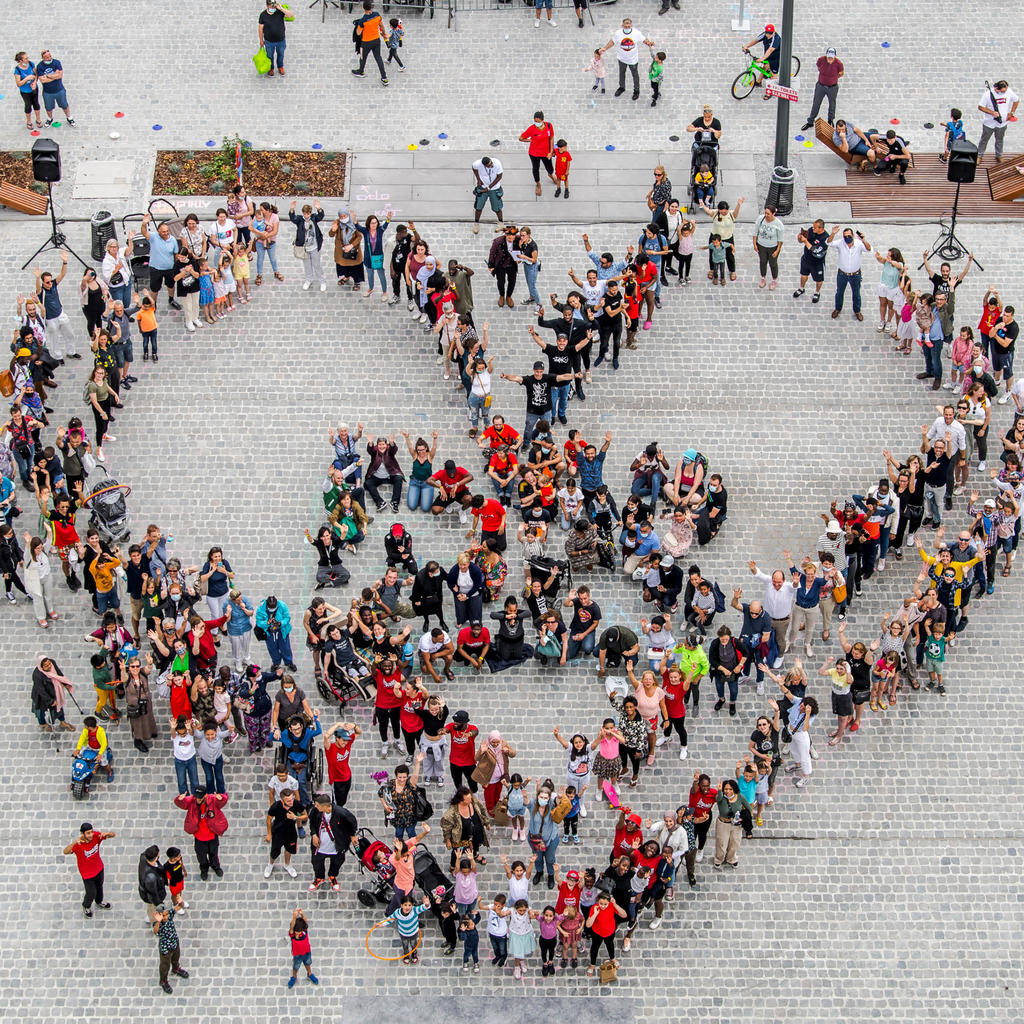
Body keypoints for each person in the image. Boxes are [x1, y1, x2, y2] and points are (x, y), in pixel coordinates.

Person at [173, 786, 229, 881]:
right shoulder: (192, 800)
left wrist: (221, 798)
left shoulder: (211, 799)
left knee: (214, 854)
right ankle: (204, 869)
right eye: (197, 797)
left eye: (200, 798)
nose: (198, 800)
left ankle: (215, 866)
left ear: (205, 795)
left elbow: (221, 801)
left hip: (212, 836)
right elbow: (183, 804)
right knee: (201, 857)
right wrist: (179, 799)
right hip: (199, 837)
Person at [64, 823, 114, 918]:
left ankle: (99, 901)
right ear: (82, 834)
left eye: (91, 832)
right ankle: (86, 906)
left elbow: (113, 835)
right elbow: (65, 851)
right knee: (91, 893)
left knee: (99, 887)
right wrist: (74, 842)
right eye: (88, 833)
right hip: (87, 874)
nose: (91, 835)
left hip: (99, 868)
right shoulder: (78, 845)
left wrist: (107, 834)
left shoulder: (95, 836)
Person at [599, 17, 654, 101]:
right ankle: (622, 87)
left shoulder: (636, 33)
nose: (627, 25)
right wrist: (605, 48)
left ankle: (636, 91)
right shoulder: (618, 33)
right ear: (622, 25)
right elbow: (612, 42)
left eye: (629, 24)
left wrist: (649, 43)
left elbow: (644, 40)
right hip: (622, 58)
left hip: (633, 60)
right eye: (626, 24)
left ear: (631, 25)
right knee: (621, 73)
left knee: (635, 75)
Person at [830, 226, 871, 321]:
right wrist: (833, 233)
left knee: (856, 294)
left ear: (853, 235)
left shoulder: (859, 244)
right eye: (845, 236)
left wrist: (864, 240)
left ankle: (857, 310)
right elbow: (829, 243)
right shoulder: (841, 243)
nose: (847, 238)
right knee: (839, 292)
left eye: (849, 236)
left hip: (855, 275)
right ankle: (837, 308)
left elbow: (869, 249)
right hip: (842, 274)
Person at [801, 47, 844, 129]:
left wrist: (833, 78)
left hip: (832, 87)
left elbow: (841, 73)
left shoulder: (839, 64)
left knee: (832, 104)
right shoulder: (821, 60)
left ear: (835, 56)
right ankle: (810, 121)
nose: (830, 59)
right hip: (820, 86)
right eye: (829, 57)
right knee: (816, 103)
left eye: (832, 57)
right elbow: (819, 67)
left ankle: (830, 120)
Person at [288, 200, 326, 292]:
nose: (306, 216)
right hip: (304, 248)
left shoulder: (313, 218)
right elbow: (293, 218)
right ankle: (308, 280)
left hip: (315, 246)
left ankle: (322, 281)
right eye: (305, 214)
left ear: (310, 213)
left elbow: (320, 216)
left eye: (308, 214)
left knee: (317, 265)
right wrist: (292, 209)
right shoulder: (300, 220)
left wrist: (319, 208)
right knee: (307, 265)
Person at [977, 80, 1019, 162]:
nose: (1004, 92)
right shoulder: (987, 94)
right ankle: (979, 155)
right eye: (1002, 91)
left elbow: (1016, 100)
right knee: (984, 139)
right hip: (989, 123)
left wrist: (1012, 112)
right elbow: (980, 107)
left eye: (1005, 91)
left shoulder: (1008, 91)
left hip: (1002, 123)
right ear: (996, 88)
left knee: (1000, 139)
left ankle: (999, 155)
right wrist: (992, 112)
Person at [153, 905, 189, 994]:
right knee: (165, 966)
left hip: (174, 942)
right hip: (165, 948)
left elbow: (178, 907)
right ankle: (163, 981)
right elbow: (155, 931)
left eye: (167, 915)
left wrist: (180, 901)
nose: (166, 917)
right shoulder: (158, 924)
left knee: (176, 957)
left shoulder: (169, 916)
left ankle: (176, 969)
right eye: (164, 915)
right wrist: (158, 921)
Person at [352, 1, 389, 86]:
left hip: (366, 42)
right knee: (378, 58)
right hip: (376, 40)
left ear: (363, 8)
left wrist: (358, 25)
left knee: (363, 57)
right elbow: (382, 26)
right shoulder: (377, 15)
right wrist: (383, 33)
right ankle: (384, 78)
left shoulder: (363, 20)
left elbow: (358, 33)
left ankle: (361, 71)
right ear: (371, 7)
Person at [35, 48, 74, 127]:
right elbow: (42, 80)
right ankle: (50, 118)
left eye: (50, 56)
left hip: (59, 89)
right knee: (48, 107)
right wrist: (54, 76)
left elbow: (59, 75)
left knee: (64, 105)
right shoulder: (39, 66)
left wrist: (47, 76)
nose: (49, 58)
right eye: (47, 57)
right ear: (43, 58)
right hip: (48, 92)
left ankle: (69, 117)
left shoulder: (56, 62)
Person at [753, 204, 784, 290]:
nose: (766, 215)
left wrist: (777, 250)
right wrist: (754, 244)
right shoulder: (760, 219)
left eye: (768, 214)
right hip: (761, 245)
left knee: (773, 263)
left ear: (773, 214)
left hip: (772, 247)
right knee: (762, 261)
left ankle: (774, 279)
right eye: (765, 213)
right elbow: (755, 232)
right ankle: (763, 278)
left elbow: (780, 240)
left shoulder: (778, 224)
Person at [471, 156, 504, 234]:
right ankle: (476, 223)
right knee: (478, 207)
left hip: (494, 188)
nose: (491, 166)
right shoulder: (477, 164)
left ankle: (501, 223)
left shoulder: (497, 163)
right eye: (489, 165)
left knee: (497, 207)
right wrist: (478, 180)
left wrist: (489, 188)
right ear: (484, 165)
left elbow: (499, 177)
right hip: (482, 187)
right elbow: (474, 168)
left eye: (491, 163)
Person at [258, 0, 291, 76]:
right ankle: (271, 68)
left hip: (281, 40)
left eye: (274, 6)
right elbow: (260, 29)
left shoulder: (279, 12)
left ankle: (280, 67)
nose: (273, 7)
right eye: (271, 6)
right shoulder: (263, 15)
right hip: (269, 41)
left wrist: (281, 8)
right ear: (267, 6)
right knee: (269, 56)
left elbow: (290, 15)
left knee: (281, 54)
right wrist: (261, 40)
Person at [287, 909, 318, 986]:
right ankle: (294, 977)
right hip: (297, 955)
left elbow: (305, 922)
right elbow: (291, 928)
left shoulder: (304, 930)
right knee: (296, 967)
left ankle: (310, 974)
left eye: (300, 931)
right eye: (297, 931)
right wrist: (294, 918)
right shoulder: (293, 935)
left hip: (307, 952)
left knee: (308, 964)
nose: (299, 932)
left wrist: (302, 914)